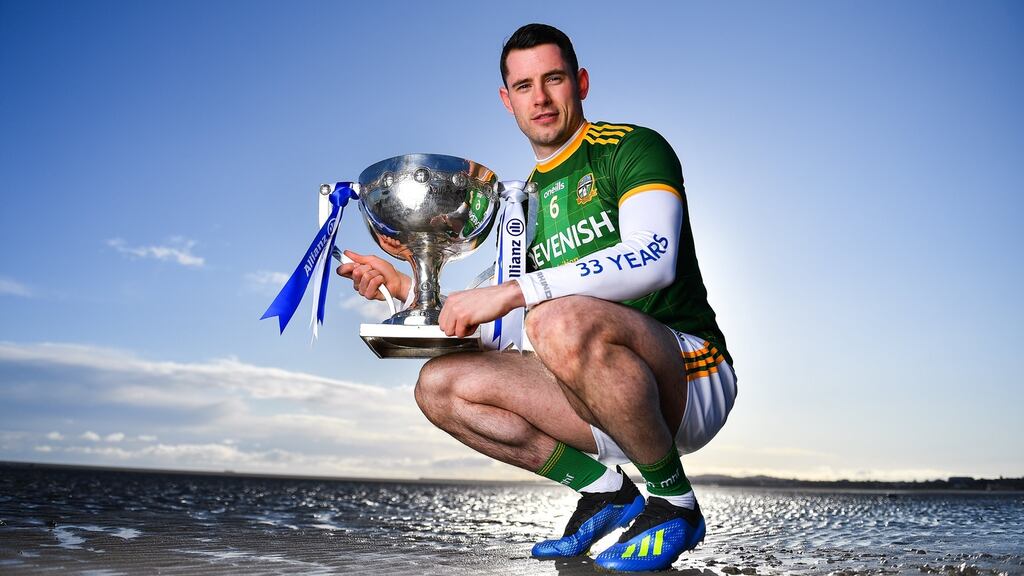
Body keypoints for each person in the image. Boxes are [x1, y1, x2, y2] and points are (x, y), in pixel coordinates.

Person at [338, 23, 737, 572]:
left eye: (554, 79)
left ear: (582, 83)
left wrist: (521, 291)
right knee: (440, 386)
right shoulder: (521, 201)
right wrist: (406, 285)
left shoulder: (632, 147)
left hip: (690, 375)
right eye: (524, 86)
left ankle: (674, 503)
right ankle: (607, 492)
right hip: (594, 391)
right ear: (507, 100)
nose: (541, 98)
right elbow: (499, 323)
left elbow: (655, 256)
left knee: (556, 319)